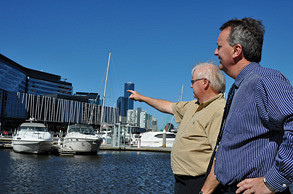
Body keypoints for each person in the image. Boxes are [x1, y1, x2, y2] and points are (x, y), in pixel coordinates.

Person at [201, 18, 293, 194]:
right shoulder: (239, 87)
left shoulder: (264, 80)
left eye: (219, 47)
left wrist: (272, 182)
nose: (215, 52)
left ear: (236, 50)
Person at [128, 62, 226, 194]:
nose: (190, 85)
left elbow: (222, 157)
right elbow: (168, 106)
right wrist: (142, 98)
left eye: (193, 81)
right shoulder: (193, 105)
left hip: (200, 184)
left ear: (205, 83)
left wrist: (205, 191)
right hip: (183, 183)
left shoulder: (219, 110)